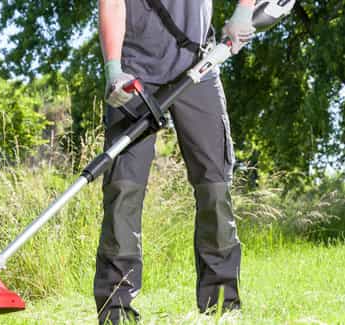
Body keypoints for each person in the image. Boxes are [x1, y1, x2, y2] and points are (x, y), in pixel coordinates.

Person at [95, 0, 257, 323]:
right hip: (135, 71)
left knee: (215, 184)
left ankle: (223, 305)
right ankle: (116, 311)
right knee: (123, 189)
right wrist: (113, 68)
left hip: (199, 64)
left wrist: (244, 12)